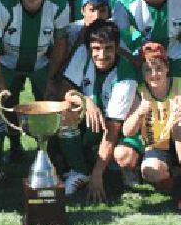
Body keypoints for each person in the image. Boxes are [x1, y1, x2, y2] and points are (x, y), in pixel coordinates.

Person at [0, 0, 72, 168]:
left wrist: (52, 78)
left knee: (50, 104)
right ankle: (11, 149)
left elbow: (60, 43)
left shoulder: (58, 3)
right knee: (3, 103)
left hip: (41, 61)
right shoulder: (5, 3)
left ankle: (49, 152)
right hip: (8, 61)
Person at [115, 43, 181, 212]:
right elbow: (127, 131)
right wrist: (139, 112)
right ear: (142, 72)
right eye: (148, 70)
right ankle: (173, 177)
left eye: (158, 68)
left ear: (167, 67)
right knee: (150, 172)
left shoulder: (179, 85)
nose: (154, 75)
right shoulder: (141, 91)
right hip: (156, 145)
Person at [59, 19, 139, 201]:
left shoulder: (125, 75)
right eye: (96, 48)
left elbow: (113, 128)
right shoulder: (82, 53)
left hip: (122, 130)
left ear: (117, 47)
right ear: (88, 48)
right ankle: (79, 171)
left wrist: (97, 175)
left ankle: (115, 165)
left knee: (124, 157)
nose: (102, 55)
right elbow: (63, 88)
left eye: (108, 48)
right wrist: (85, 100)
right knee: (65, 109)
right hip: (95, 123)